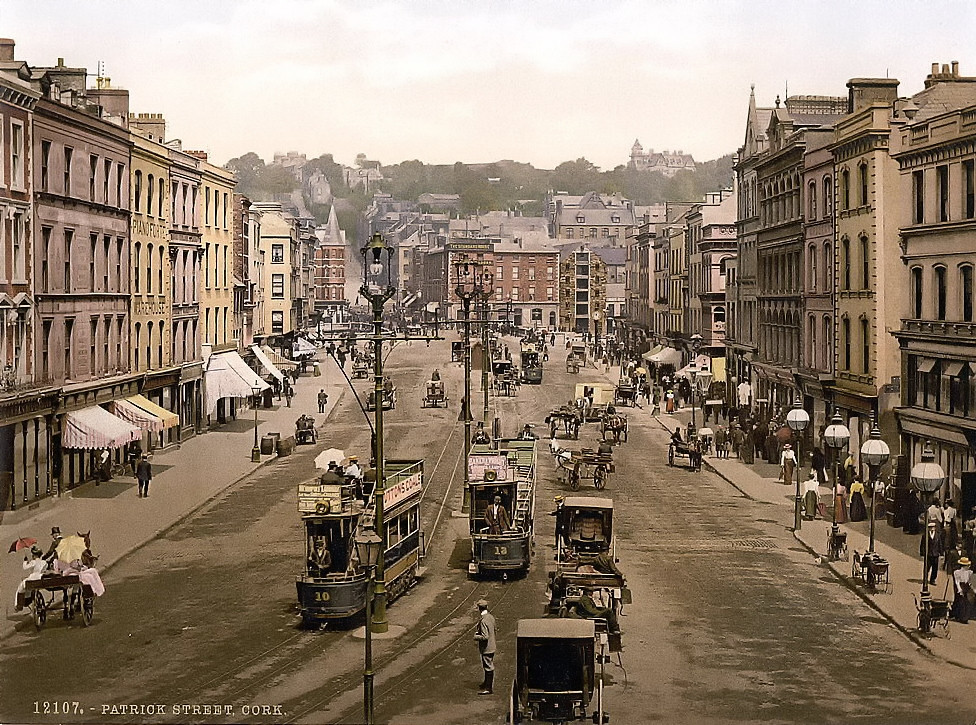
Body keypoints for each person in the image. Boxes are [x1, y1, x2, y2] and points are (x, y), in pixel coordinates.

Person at [474, 599, 497, 695]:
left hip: (486, 648)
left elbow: (485, 636)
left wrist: (476, 636)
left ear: (479, 609)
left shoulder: (483, 621)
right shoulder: (490, 617)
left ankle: (488, 688)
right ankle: (486, 683)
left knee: (488, 667)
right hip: (492, 645)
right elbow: (494, 629)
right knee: (487, 665)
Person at [14, 546, 47, 610]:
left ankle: (18, 604)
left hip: (33, 578)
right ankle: (29, 598)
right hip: (40, 577)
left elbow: (25, 567)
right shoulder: (44, 562)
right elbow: (44, 570)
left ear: (34, 555)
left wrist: (25, 561)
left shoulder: (33, 562)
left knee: (20, 587)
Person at [951, 556, 975, 623]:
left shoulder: (970, 572)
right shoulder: (957, 572)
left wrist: (972, 588)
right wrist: (959, 589)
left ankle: (965, 617)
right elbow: (957, 582)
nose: (968, 566)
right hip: (961, 586)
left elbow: (970, 582)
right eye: (967, 565)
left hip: (966, 586)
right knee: (960, 602)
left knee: (967, 602)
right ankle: (959, 616)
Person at [920, 521, 944, 586]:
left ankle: (932, 580)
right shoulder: (925, 535)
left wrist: (941, 553)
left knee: (935, 568)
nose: (932, 528)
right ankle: (925, 579)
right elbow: (922, 544)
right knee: (926, 568)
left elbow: (940, 544)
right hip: (928, 554)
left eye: (933, 527)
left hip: (935, 554)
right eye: (930, 527)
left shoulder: (938, 535)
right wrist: (922, 553)